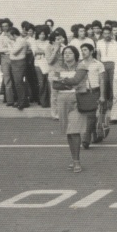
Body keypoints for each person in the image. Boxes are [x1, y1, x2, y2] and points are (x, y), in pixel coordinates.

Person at [51, 45, 89, 173]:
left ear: (75, 55)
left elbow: (77, 79)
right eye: (65, 53)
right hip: (62, 101)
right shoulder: (59, 67)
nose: (67, 55)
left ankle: (77, 161)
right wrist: (67, 84)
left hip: (77, 100)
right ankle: (73, 159)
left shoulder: (81, 66)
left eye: (70, 53)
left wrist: (62, 81)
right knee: (68, 131)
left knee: (75, 131)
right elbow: (55, 85)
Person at [78, 43, 107, 148]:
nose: (83, 52)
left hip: (94, 91)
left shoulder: (98, 64)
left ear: (91, 51)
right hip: (82, 92)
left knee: (91, 115)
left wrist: (102, 95)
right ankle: (96, 135)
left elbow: (102, 80)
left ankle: (86, 139)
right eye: (82, 50)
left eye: (85, 50)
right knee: (88, 116)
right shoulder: (79, 64)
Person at [6, 27, 30, 110]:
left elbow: (13, 52)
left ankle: (23, 101)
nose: (9, 37)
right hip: (14, 63)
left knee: (19, 82)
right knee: (17, 83)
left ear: (14, 34)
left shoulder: (21, 40)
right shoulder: (16, 41)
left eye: (9, 35)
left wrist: (9, 44)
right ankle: (21, 100)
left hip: (19, 62)